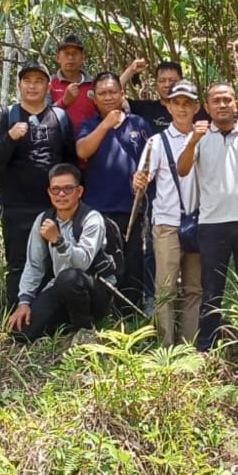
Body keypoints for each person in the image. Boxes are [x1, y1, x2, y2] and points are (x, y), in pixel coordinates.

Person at [176, 82, 238, 351]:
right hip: (211, 224)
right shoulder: (199, 136)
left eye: (227, 100)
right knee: (212, 289)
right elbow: (182, 170)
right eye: (216, 101)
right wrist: (194, 140)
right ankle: (207, 346)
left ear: (236, 103)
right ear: (206, 107)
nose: (222, 105)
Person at [0, 60, 77, 309]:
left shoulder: (59, 117)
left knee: (53, 259)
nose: (33, 86)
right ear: (20, 85)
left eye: (39, 81)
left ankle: (47, 315)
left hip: (52, 205)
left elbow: (70, 160)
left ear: (48, 86)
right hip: (16, 205)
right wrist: (10, 137)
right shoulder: (7, 117)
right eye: (27, 81)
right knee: (18, 261)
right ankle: (15, 317)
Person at [6, 164, 117, 341]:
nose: (61, 194)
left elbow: (82, 263)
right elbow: (34, 264)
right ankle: (66, 326)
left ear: (79, 191)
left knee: (69, 277)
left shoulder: (92, 219)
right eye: (55, 189)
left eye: (68, 189)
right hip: (60, 288)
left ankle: (85, 331)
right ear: (49, 192)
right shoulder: (44, 219)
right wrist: (24, 302)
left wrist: (58, 240)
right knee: (21, 334)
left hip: (94, 289)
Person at [132, 79, 202, 344]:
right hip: (167, 223)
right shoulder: (156, 142)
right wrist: (137, 180)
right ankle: (166, 346)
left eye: (187, 103)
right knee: (166, 288)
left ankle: (189, 346)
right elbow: (142, 178)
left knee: (194, 288)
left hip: (198, 223)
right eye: (177, 103)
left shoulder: (206, 139)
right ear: (168, 106)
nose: (182, 109)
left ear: (196, 107)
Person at [76, 72, 152, 308]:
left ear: (122, 94)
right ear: (95, 98)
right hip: (99, 210)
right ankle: (104, 311)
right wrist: (106, 124)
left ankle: (130, 313)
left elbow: (152, 159)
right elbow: (82, 151)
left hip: (132, 208)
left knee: (132, 261)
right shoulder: (89, 124)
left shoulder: (138, 124)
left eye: (113, 92)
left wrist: (144, 177)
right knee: (105, 262)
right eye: (102, 93)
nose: (108, 97)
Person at [120, 58, 211, 134]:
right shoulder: (145, 108)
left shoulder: (198, 110)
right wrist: (130, 71)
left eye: (172, 80)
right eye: (162, 80)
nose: (167, 84)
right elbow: (113, 99)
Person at [48, 33, 98, 131]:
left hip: (90, 142)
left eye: (75, 53)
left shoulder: (94, 84)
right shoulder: (49, 83)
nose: (70, 57)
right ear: (58, 58)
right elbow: (41, 116)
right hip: (59, 143)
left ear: (83, 58)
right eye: (66, 53)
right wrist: (63, 102)